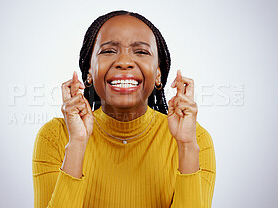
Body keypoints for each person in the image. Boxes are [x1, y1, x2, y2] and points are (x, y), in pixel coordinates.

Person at [32, 10, 216, 207]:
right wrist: (77, 143)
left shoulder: (195, 140)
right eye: (109, 51)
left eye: (141, 52)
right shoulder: (55, 136)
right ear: (89, 72)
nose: (124, 62)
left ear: (158, 74)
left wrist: (186, 146)